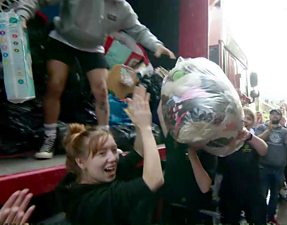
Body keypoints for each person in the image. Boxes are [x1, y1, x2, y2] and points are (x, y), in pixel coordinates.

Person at [16, 0, 176, 159]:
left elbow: (138, 29)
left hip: (92, 47)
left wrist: (156, 45)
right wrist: (22, 15)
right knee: (55, 83)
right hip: (63, 39)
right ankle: (49, 138)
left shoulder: (123, 8)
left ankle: (105, 139)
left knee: (101, 91)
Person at [55, 85, 164, 224]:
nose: (112, 158)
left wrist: (139, 125)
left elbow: (139, 152)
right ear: (81, 162)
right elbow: (154, 180)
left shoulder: (91, 176)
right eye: (101, 153)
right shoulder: (94, 201)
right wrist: (146, 128)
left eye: (113, 150)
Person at [157, 103, 218, 225]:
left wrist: (192, 154)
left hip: (195, 211)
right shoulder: (173, 139)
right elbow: (161, 112)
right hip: (171, 207)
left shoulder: (207, 149)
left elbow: (205, 186)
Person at [218, 107, 268, 225]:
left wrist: (249, 137)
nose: (245, 119)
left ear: (253, 123)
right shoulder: (224, 138)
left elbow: (264, 150)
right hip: (230, 192)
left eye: (249, 118)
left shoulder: (252, 139)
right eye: (242, 116)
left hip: (253, 191)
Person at [256, 109, 287, 225]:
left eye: (277, 114)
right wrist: (269, 130)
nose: (274, 116)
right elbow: (258, 141)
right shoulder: (261, 127)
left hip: (279, 169)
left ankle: (271, 217)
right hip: (263, 167)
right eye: (272, 113)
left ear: (280, 117)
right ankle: (260, 218)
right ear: (269, 115)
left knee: (274, 195)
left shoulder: (284, 131)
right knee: (262, 194)